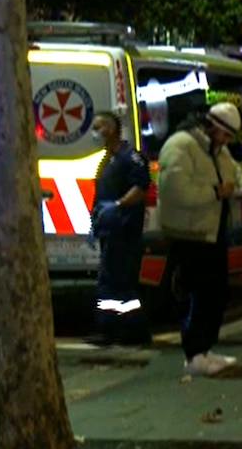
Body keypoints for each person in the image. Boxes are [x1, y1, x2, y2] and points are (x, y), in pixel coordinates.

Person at [157, 102, 242, 376]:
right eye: (225, 135)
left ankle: (204, 349)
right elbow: (174, 190)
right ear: (212, 127)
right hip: (189, 235)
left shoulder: (216, 149)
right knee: (199, 294)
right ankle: (194, 354)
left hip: (211, 233)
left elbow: (235, 173)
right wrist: (216, 192)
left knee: (214, 293)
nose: (227, 141)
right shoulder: (181, 145)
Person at [87, 111, 152, 347]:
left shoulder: (129, 157)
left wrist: (118, 206)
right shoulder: (108, 159)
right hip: (110, 230)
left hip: (125, 230)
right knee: (111, 282)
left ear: (112, 129)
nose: (95, 132)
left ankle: (131, 330)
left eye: (99, 127)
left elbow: (141, 186)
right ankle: (113, 329)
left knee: (121, 283)